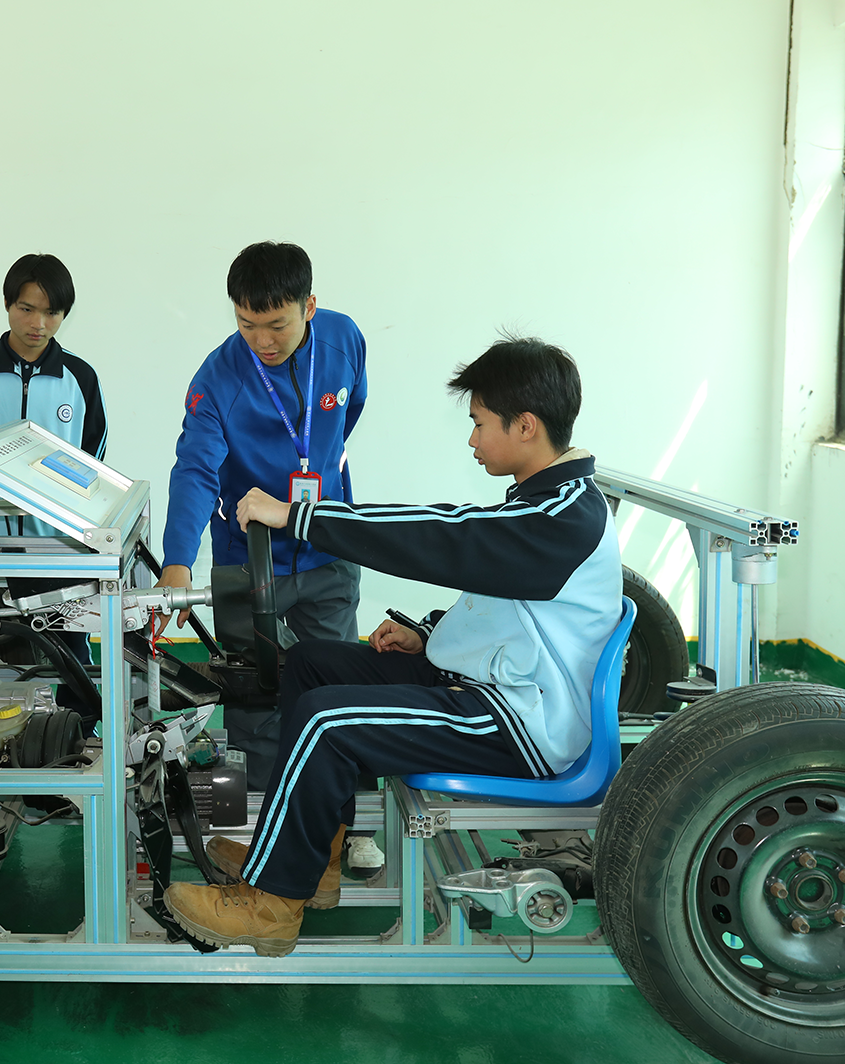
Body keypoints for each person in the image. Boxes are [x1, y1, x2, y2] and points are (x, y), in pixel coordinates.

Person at [163, 337, 622, 958]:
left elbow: (442, 536)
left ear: (525, 426)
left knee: (328, 721)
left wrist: (299, 517)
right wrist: (429, 634)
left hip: (522, 723)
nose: (472, 439)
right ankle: (311, 860)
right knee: (311, 664)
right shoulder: (542, 504)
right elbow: (510, 603)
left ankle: (271, 905)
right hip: (495, 686)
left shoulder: (562, 516)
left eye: (479, 424)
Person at [158, 241, 369, 827]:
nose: (262, 340)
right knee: (253, 702)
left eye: (276, 325)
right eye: (246, 324)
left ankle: (345, 826)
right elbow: (195, 469)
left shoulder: (343, 339)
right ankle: (252, 831)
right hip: (247, 563)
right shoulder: (218, 378)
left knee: (337, 691)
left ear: (310, 306)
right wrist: (177, 561)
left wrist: (320, 476)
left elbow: (349, 414)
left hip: (328, 552)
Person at [0, 253, 107, 712]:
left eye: (52, 312)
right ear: (7, 304)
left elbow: (93, 463)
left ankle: (77, 735)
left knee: (71, 660)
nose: (38, 324)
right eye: (26, 309)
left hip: (59, 549)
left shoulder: (80, 379)